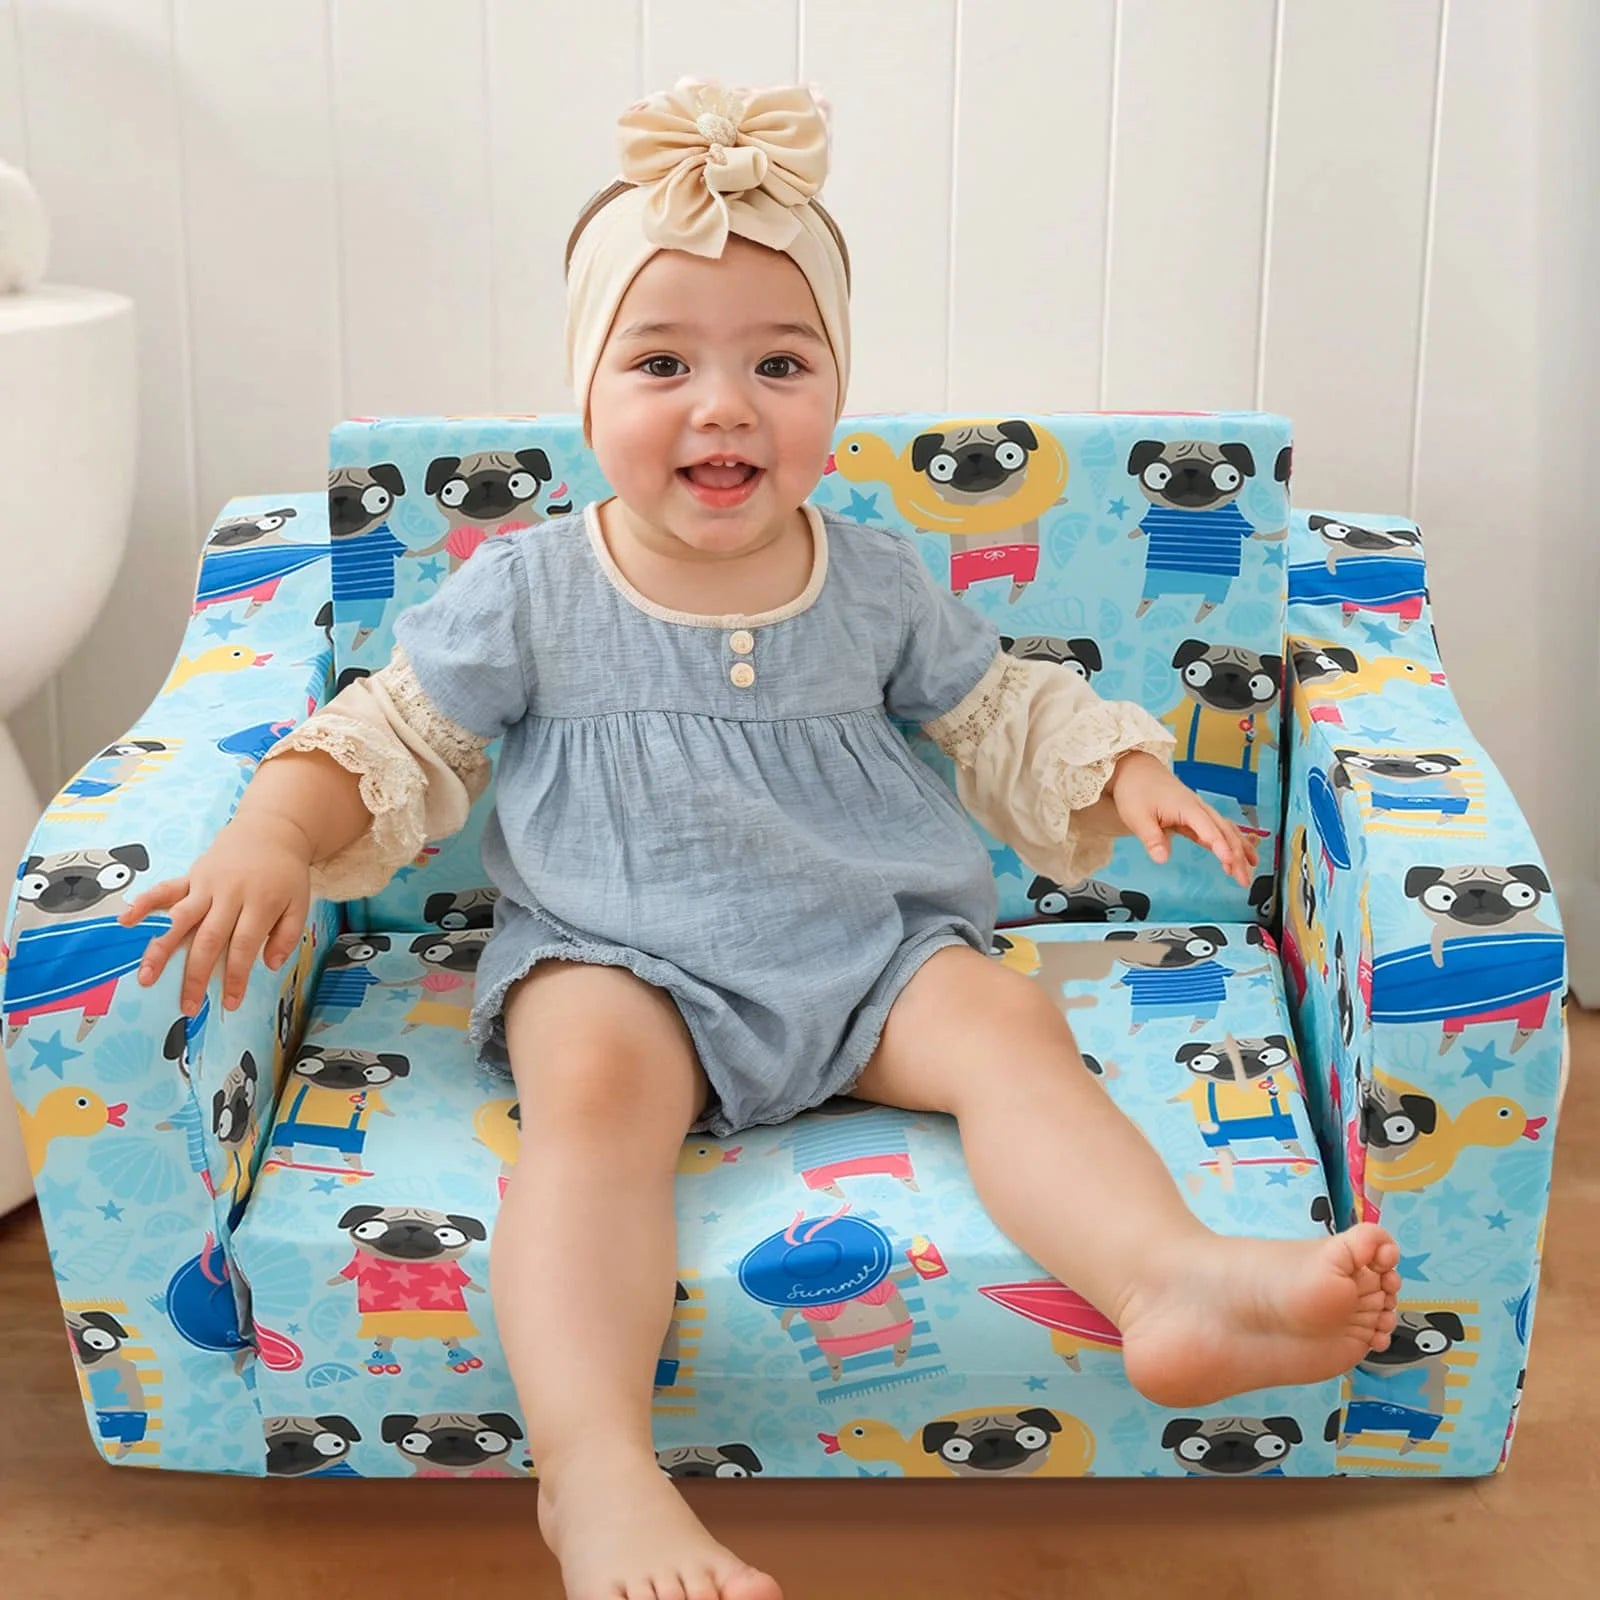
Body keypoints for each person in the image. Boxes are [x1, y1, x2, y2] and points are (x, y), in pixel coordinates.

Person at [121, 79, 1400, 1600]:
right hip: (621, 952)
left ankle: (1168, 1278)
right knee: (588, 1096)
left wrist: (1121, 769)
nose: (722, 403)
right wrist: (276, 827)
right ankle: (594, 1475)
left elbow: (993, 707)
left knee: (1005, 1027)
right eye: (661, 360)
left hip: (870, 948)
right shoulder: (532, 588)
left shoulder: (869, 578)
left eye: (777, 362)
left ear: (830, 398)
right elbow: (397, 735)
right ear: (586, 399)